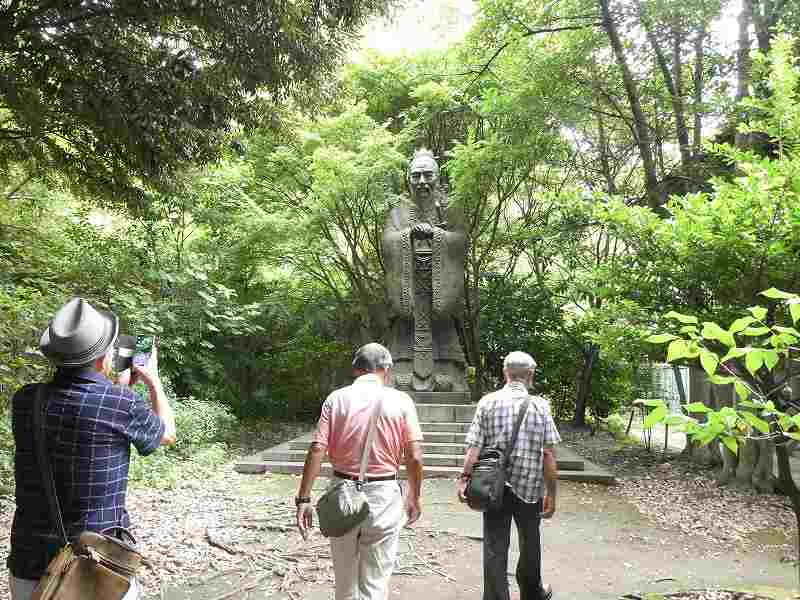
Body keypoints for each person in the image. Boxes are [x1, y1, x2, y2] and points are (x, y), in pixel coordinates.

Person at [7, 298, 177, 599]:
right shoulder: (121, 404)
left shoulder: (25, 400)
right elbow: (167, 434)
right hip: (96, 569)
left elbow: (85, 417)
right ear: (104, 355)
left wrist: (119, 389)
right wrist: (153, 380)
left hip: (30, 564)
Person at [295, 342, 424, 600]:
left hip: (341, 494)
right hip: (384, 495)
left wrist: (304, 499)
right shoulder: (401, 400)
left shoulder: (336, 399)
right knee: (375, 583)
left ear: (356, 369)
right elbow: (414, 456)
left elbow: (317, 448)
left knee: (344, 582)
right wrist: (414, 496)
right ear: (387, 370)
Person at [457, 351, 560, 600]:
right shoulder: (540, 406)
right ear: (530, 375)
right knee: (530, 541)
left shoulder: (488, 402)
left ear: (505, 373)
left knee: (494, 544)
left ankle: (495, 596)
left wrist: (464, 479)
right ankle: (532, 593)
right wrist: (551, 494)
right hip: (530, 487)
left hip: (493, 487)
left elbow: (474, 448)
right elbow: (548, 454)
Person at [382, 149, 467, 392]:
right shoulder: (397, 212)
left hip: (439, 288)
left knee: (442, 327)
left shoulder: (449, 208)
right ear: (408, 179)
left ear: (437, 178)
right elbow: (387, 242)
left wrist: (436, 234)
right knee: (404, 329)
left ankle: (447, 371)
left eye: (428, 175)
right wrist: (409, 234)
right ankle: (403, 369)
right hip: (409, 288)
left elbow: (461, 240)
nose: (422, 181)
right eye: (416, 175)